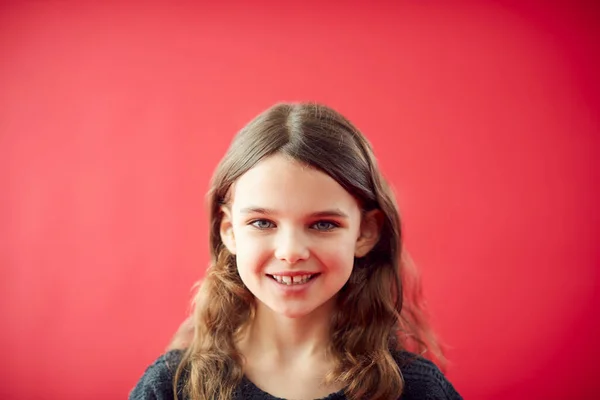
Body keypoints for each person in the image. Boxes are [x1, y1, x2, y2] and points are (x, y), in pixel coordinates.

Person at [129, 103, 462, 400]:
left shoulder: (415, 390)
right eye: (262, 223)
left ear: (365, 232)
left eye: (323, 224)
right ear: (228, 230)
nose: (290, 252)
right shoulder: (171, 388)